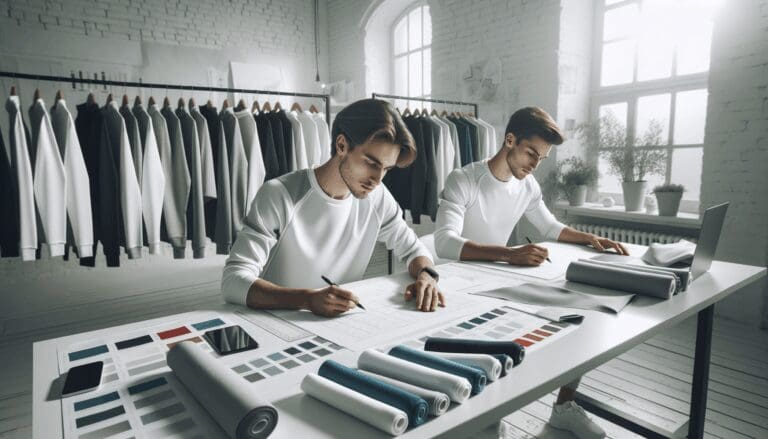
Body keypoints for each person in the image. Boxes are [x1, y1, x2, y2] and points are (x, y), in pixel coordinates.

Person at [434, 106, 628, 439]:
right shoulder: (464, 179)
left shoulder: (527, 186)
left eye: (542, 158)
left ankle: (564, 407)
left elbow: (550, 227)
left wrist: (591, 238)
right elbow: (444, 243)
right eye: (531, 154)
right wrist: (509, 254)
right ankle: (487, 422)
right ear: (510, 140)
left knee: (584, 317)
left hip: (498, 281)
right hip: (458, 287)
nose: (535, 164)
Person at [222, 99, 445, 317]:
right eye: (371, 163)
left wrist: (426, 276)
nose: (377, 179)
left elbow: (414, 250)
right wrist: (307, 299)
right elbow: (233, 280)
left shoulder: (378, 197)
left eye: (386, 168)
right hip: (274, 321)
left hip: (339, 324)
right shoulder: (278, 194)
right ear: (341, 145)